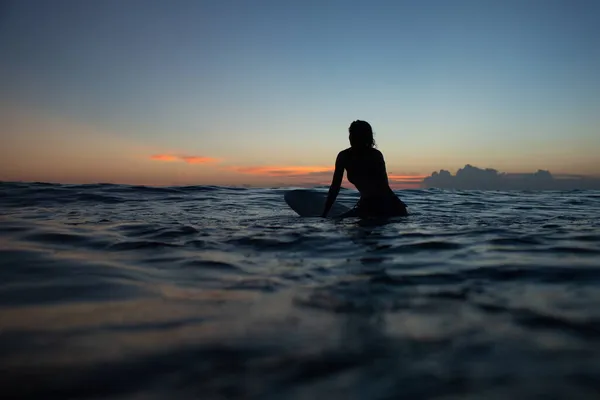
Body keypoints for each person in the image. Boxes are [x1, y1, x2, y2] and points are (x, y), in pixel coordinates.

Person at [321, 120, 408, 218]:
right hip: (367, 205)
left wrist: (364, 205)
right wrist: (324, 214)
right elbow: (335, 187)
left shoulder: (375, 156)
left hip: (390, 206)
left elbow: (382, 186)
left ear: (365, 138)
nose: (352, 138)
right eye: (351, 134)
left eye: (356, 135)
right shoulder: (343, 156)